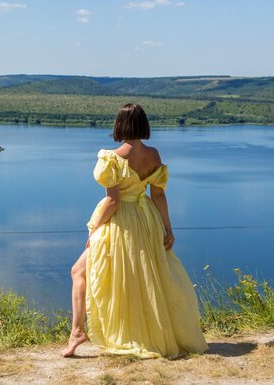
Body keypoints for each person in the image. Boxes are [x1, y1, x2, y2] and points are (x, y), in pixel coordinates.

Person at [61, 103, 208, 358]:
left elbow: (113, 201)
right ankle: (140, 333)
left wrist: (94, 230)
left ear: (119, 124)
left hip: (120, 223)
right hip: (147, 220)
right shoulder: (153, 155)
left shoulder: (112, 157)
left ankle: (77, 332)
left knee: (80, 271)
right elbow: (159, 195)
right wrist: (167, 229)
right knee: (142, 278)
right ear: (143, 125)